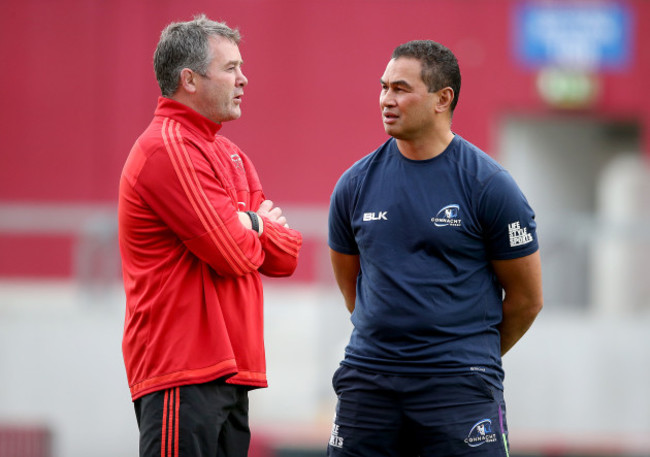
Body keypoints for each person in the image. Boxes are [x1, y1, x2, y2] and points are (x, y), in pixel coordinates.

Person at [327, 40, 543, 457]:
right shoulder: (354, 185)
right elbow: (350, 283)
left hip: (460, 387)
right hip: (369, 382)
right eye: (384, 87)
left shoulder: (489, 185)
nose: (387, 100)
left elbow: (527, 300)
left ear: (443, 99)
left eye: (401, 89)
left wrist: (465, 354)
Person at [118, 15, 302, 457]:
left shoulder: (230, 154)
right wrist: (257, 224)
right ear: (189, 80)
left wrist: (249, 223)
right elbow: (234, 255)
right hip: (182, 371)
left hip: (230, 373)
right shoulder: (168, 147)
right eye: (230, 68)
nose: (244, 79)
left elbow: (286, 257)